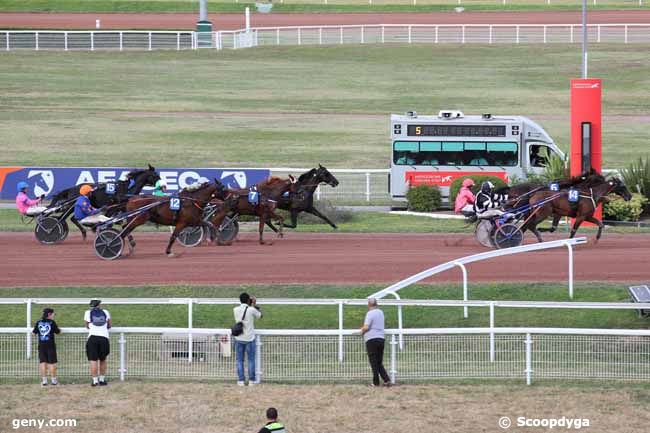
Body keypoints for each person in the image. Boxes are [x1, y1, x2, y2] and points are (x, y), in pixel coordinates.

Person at [233, 292, 262, 386]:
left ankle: (241, 380)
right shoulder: (251, 309)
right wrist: (254, 304)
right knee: (251, 360)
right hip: (250, 338)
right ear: (248, 300)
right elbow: (260, 316)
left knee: (239, 360)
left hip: (239, 338)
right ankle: (251, 381)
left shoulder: (235, 309)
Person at [360, 298, 391, 387]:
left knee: (373, 362)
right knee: (378, 362)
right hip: (381, 338)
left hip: (371, 339)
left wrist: (361, 331)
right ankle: (386, 379)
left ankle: (375, 382)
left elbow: (366, 327)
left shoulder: (370, 313)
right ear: (376, 304)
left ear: (369, 304)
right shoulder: (381, 312)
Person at [84, 299, 112, 387]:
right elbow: (109, 325)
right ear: (99, 305)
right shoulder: (106, 312)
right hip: (104, 337)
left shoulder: (88, 313)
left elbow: (87, 326)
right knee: (103, 359)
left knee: (93, 360)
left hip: (92, 338)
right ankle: (102, 380)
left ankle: (95, 381)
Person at [32, 308, 61, 386]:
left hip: (41, 345)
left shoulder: (38, 322)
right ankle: (54, 381)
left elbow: (33, 333)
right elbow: (58, 332)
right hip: (50, 345)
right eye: (53, 314)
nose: (53, 316)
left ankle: (44, 381)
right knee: (52, 363)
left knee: (43, 362)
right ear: (49, 314)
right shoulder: (52, 322)